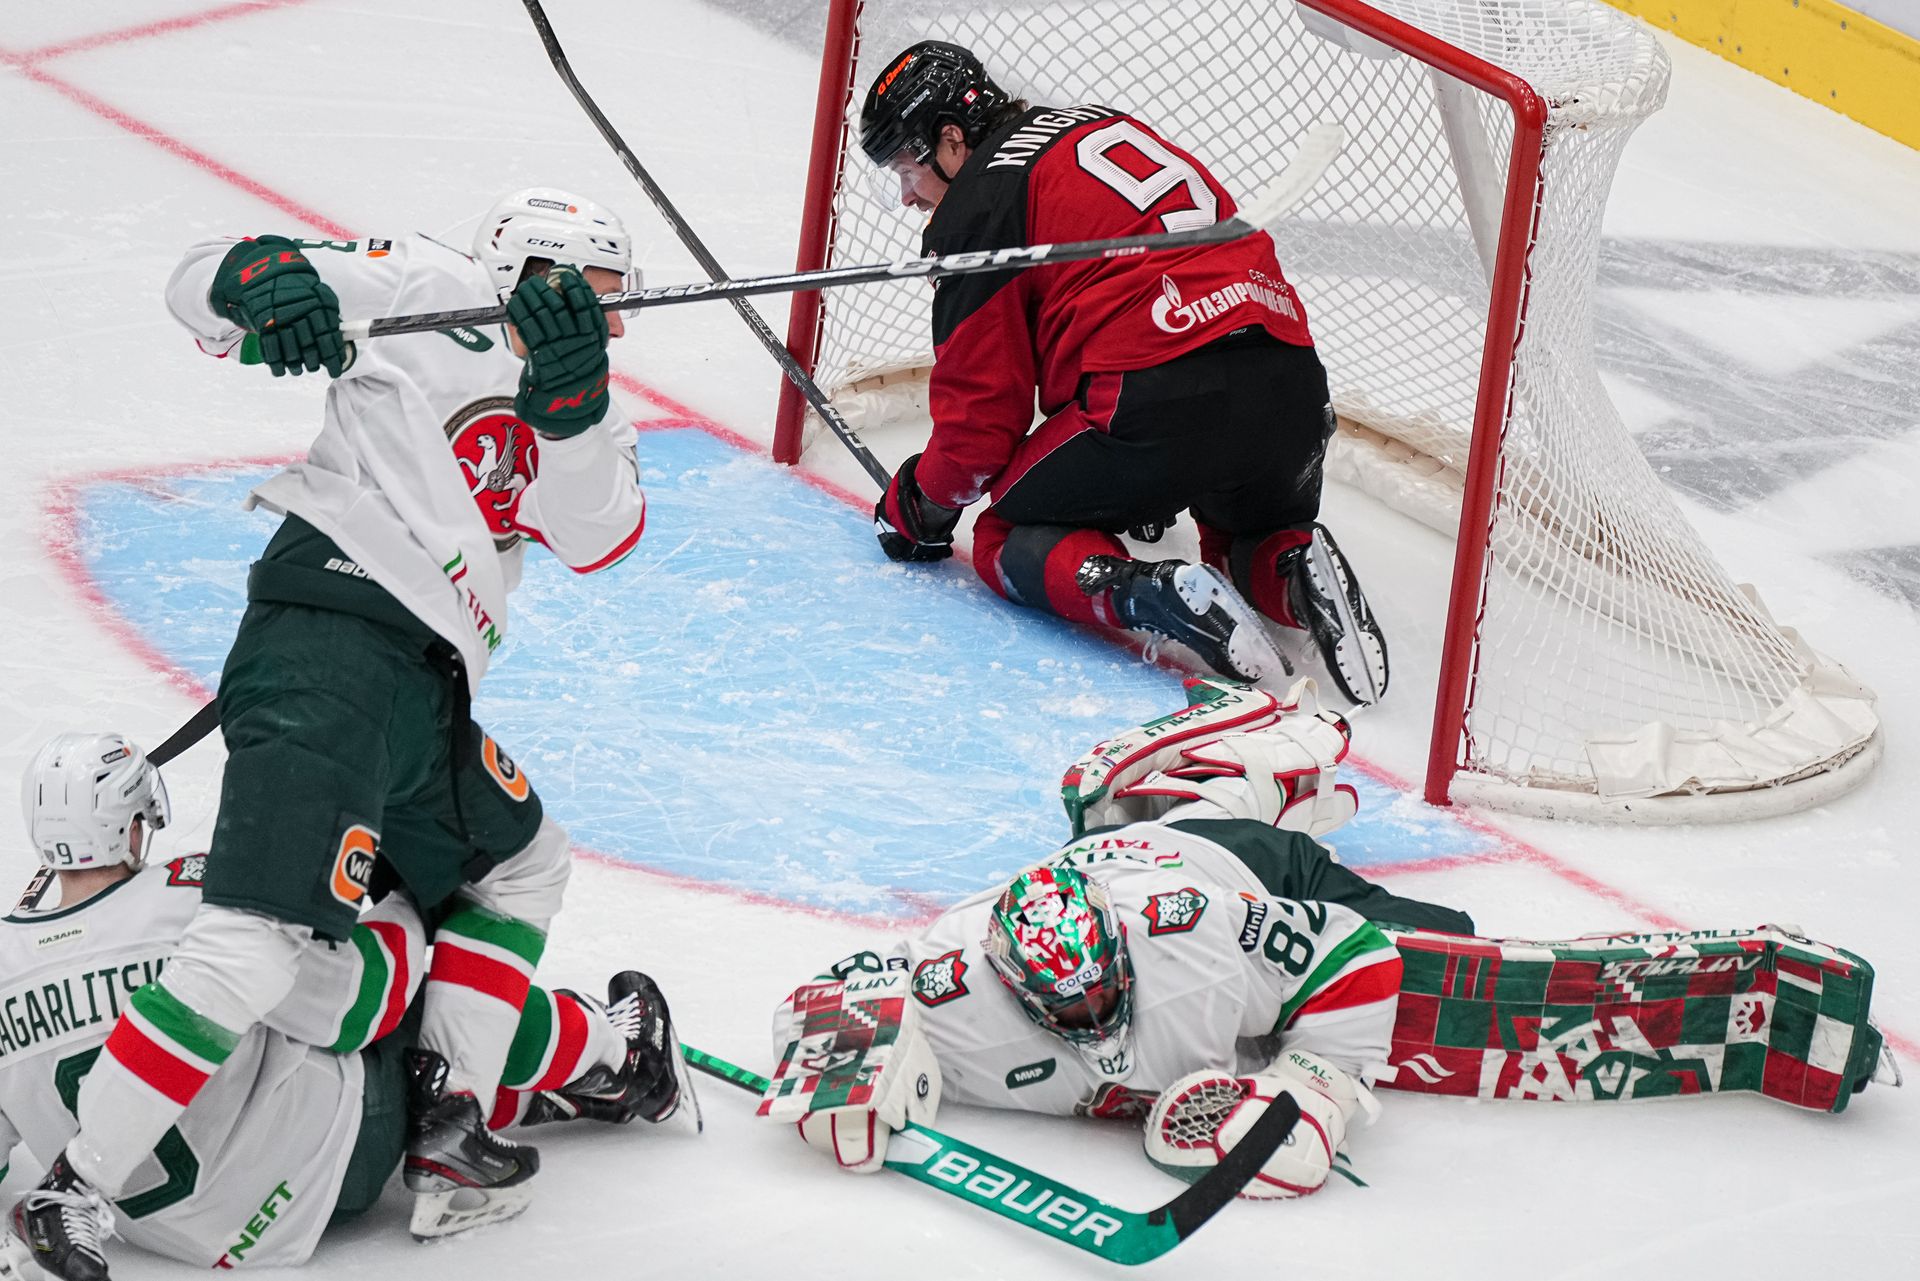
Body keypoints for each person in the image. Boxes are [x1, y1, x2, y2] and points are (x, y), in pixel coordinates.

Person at [8, 186, 652, 1275]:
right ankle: (74, 1191)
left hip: (425, 685)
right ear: (539, 272)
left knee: (519, 861)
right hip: (328, 640)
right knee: (255, 942)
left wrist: (574, 405)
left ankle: (452, 1121)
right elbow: (204, 278)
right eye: (603, 295)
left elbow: (603, 536)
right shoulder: (424, 284)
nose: (620, 322)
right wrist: (260, 282)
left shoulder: (583, 397)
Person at [0, 734, 691, 1281]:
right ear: (131, 826)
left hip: (164, 1231)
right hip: (314, 1180)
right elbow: (366, 1004)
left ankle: (544, 1094)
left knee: (283, 1051)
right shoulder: (193, 903)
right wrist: (405, 903)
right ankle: (623, 1060)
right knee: (445, 997)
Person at [760, 677, 1468, 1198]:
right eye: (1069, 1009)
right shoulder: (958, 982)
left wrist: (1314, 1090)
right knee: (1162, 826)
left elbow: (1356, 951)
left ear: (1119, 953)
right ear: (1012, 985)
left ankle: (1251, 762)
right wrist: (849, 1068)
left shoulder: (1194, 927)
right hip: (1104, 859)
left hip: (1231, 861)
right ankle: (1200, 772)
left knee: (1443, 937)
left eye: (1100, 992)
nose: (1096, 1020)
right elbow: (838, 988)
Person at [860, 41, 1389, 706]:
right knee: (1235, 541)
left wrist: (918, 506)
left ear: (953, 140)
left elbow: (980, 431)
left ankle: (1149, 593)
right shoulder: (1093, 124)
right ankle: (1293, 570)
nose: (908, 196)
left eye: (908, 169)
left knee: (1001, 534)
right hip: (1290, 383)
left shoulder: (981, 206)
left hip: (1159, 394)